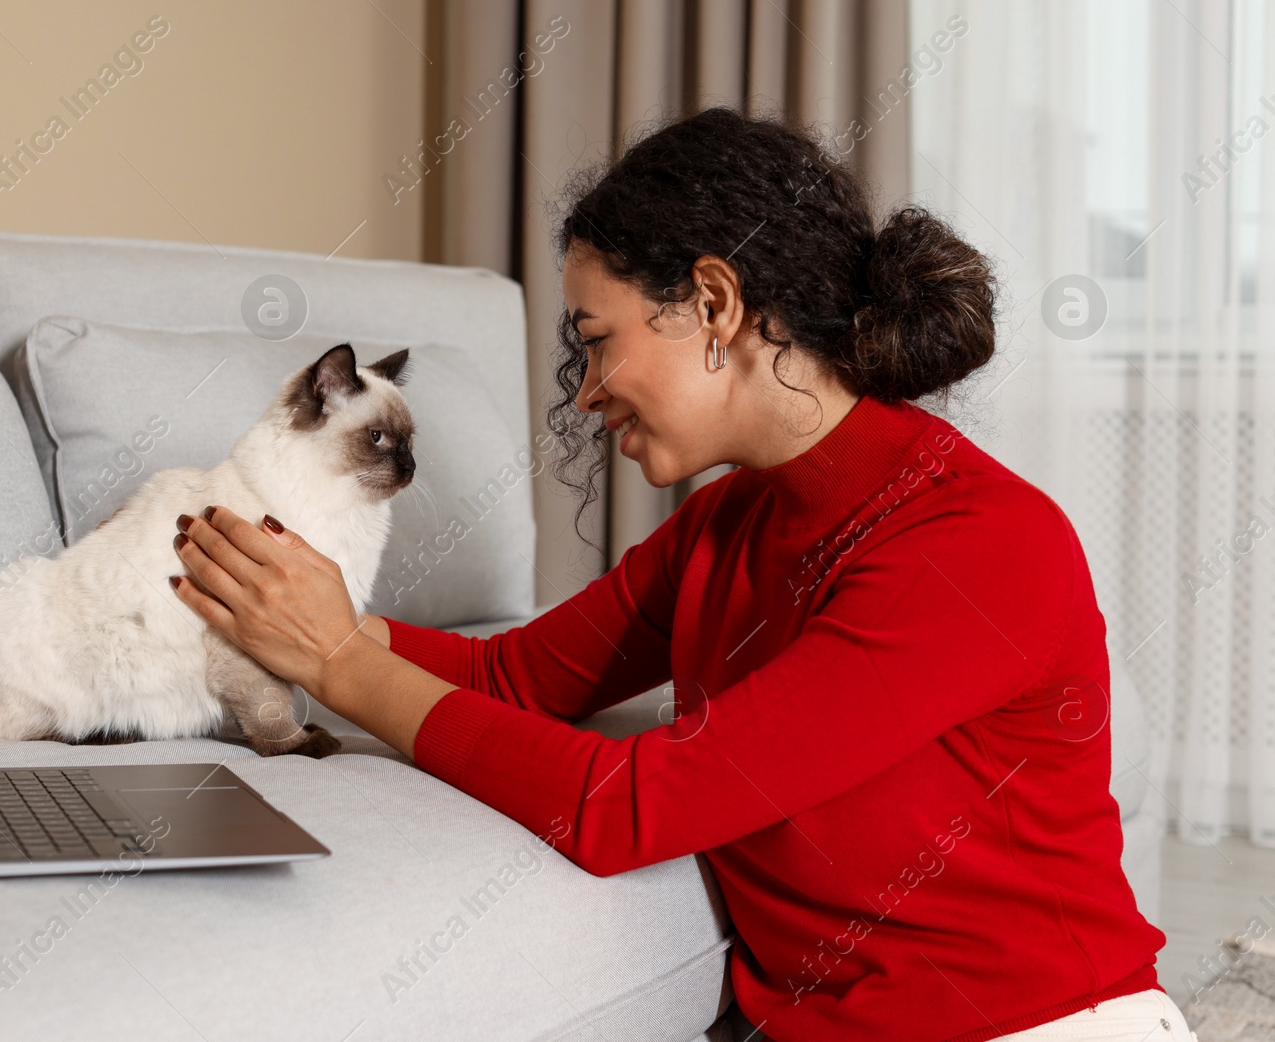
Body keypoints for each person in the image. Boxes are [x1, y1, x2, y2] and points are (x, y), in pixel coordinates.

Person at [166, 108, 1188, 1041]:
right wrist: (289, 610)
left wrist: (344, 663)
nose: (584, 394)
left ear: (714, 301)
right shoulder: (727, 523)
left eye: (598, 341)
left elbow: (630, 808)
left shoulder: (978, 541)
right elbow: (518, 678)